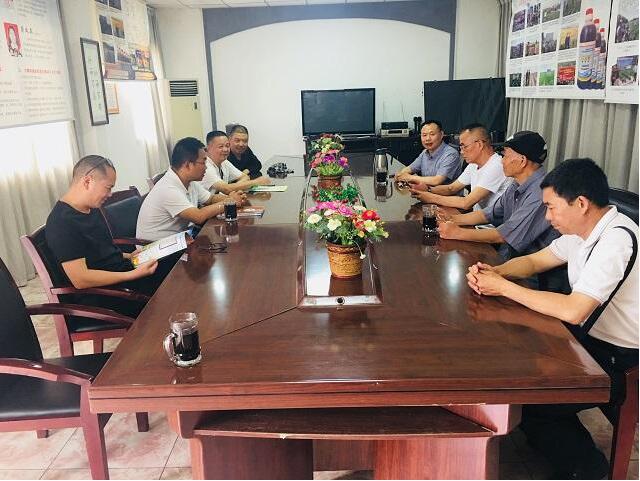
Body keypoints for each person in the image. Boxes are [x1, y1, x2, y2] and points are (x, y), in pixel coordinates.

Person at [466, 158, 638, 479]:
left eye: (551, 207)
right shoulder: (582, 231)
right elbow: (534, 262)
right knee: (517, 363)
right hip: (586, 338)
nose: (547, 217)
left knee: (532, 399)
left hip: (618, 358)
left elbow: (575, 309)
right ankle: (547, 440)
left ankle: (589, 471)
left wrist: (503, 288)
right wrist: (497, 272)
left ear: (581, 204)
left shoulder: (616, 240)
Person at [45, 155, 173, 317]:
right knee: (172, 284)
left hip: (120, 275)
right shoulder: (62, 222)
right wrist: (132, 274)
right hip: (103, 295)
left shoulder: (91, 208)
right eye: (108, 187)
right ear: (87, 181)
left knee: (175, 261)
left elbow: (101, 250)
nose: (110, 194)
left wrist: (129, 256)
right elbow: (80, 279)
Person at [437, 130, 559, 260]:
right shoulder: (516, 183)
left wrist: (457, 233)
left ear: (522, 161)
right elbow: (489, 213)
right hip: (508, 254)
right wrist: (451, 219)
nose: (502, 161)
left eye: (505, 156)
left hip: (530, 265)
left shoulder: (541, 192)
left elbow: (505, 235)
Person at [136, 137, 245, 241]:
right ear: (188, 165)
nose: (206, 167)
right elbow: (198, 216)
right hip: (156, 248)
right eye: (203, 162)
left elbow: (210, 199)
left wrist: (232, 198)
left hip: (178, 240)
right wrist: (230, 202)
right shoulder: (168, 188)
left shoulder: (190, 182)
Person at [410, 123, 511, 212]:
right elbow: (451, 188)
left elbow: (466, 203)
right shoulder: (473, 164)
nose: (461, 152)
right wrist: (427, 189)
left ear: (479, 144)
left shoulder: (496, 165)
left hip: (491, 225)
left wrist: (430, 197)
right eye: (460, 148)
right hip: (477, 219)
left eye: (464, 147)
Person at [395, 120, 462, 187]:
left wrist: (410, 178)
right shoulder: (424, 152)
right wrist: (400, 175)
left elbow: (437, 180)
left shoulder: (451, 154)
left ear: (441, 134)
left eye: (432, 134)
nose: (427, 138)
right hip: (426, 191)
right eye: (424, 135)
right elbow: (410, 168)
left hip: (445, 193)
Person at [201, 130, 270, 194]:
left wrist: (234, 188)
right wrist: (256, 182)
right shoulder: (205, 166)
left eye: (227, 146)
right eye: (221, 146)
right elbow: (226, 189)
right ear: (208, 148)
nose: (225, 149)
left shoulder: (224, 162)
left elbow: (245, 177)